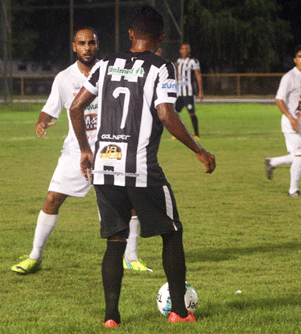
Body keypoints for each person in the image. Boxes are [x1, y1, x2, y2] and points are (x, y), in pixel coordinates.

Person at [69, 5, 216, 327]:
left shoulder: (105, 63)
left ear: (131, 34)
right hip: (140, 167)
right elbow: (165, 113)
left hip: (105, 163)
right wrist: (198, 149)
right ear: (161, 37)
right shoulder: (163, 67)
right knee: (172, 233)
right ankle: (179, 311)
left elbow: (76, 107)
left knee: (115, 240)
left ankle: (111, 317)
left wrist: (85, 150)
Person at [11, 27, 152, 275]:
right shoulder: (64, 79)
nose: (87, 47)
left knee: (127, 204)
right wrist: (41, 121)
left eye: (92, 43)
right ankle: (35, 255)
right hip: (76, 151)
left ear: (98, 45)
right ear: (74, 47)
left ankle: (130, 257)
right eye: (82, 43)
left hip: (110, 150)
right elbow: (50, 109)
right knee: (52, 199)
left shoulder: (111, 71)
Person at [265, 45, 301, 197]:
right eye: (300, 57)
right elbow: (279, 99)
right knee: (300, 155)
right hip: (291, 122)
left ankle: (272, 162)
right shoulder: (289, 77)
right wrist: (291, 118)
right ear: (295, 60)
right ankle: (293, 191)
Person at [174, 43, 203, 139]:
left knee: (191, 113)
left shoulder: (194, 61)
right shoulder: (179, 61)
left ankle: (196, 134)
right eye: (183, 49)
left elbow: (198, 76)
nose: (185, 50)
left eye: (187, 49)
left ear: (189, 50)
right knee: (174, 112)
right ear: (180, 51)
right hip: (180, 93)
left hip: (189, 92)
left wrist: (200, 92)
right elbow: (176, 71)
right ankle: (177, 133)